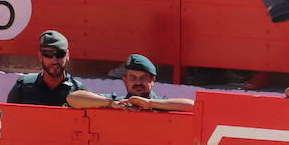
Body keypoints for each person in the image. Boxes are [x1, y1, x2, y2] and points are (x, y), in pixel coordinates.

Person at [66, 54, 195, 111]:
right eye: (132, 78)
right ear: (124, 80)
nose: (138, 82)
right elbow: (72, 98)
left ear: (153, 80)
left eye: (143, 78)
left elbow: (193, 106)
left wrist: (150, 104)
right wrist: (110, 103)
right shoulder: (117, 101)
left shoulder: (162, 103)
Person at [6, 30, 85, 105]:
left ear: (67, 55)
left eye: (60, 54)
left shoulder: (79, 93)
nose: (54, 61)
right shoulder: (22, 88)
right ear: (40, 56)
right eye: (48, 54)